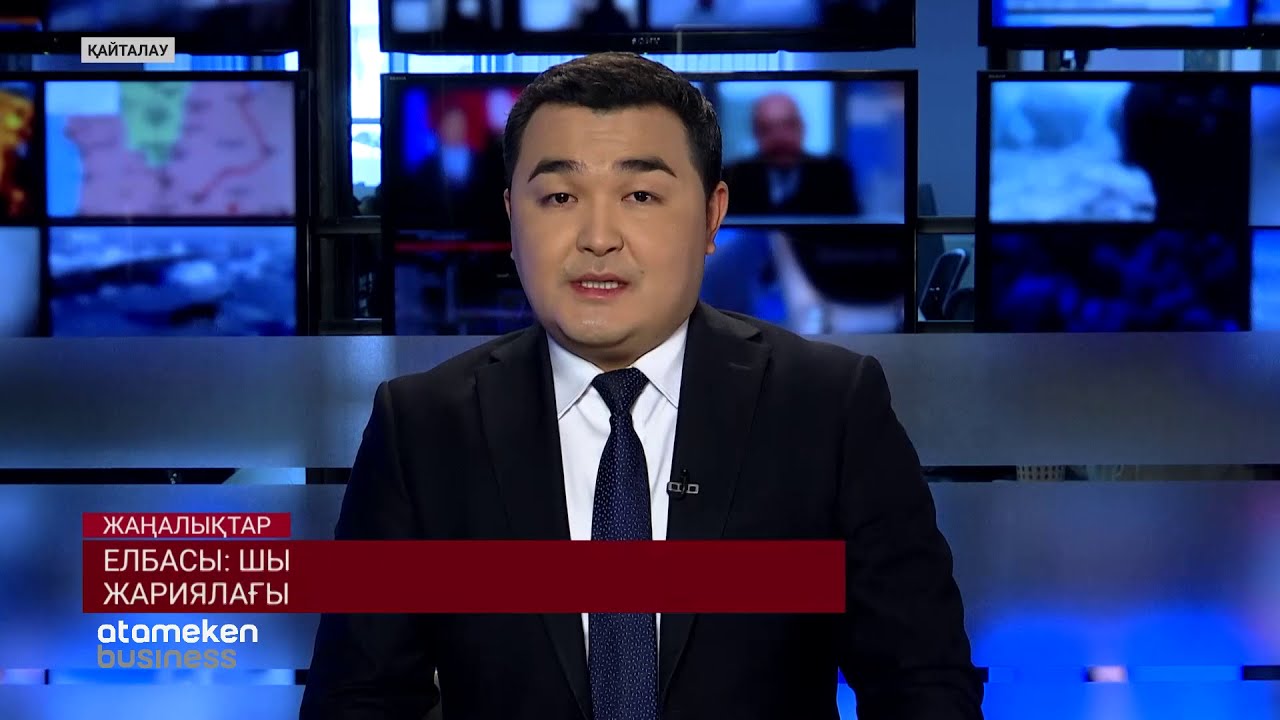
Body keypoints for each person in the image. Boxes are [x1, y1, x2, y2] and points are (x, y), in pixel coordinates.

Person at [301, 52, 983, 720]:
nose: (598, 238)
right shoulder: (423, 427)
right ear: (511, 216)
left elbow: (921, 683)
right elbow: (358, 698)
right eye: (560, 197)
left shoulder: (827, 407)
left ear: (712, 215)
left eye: (641, 196)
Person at [723, 92, 860, 217]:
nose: (779, 137)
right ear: (755, 133)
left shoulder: (832, 174)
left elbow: (851, 231)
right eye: (767, 129)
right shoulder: (736, 176)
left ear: (802, 128)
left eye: (787, 126)